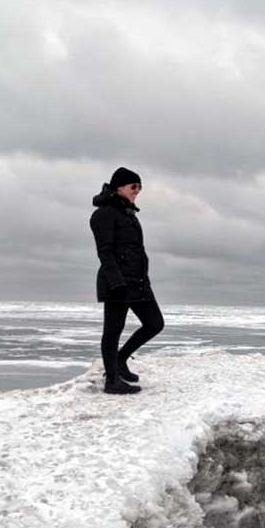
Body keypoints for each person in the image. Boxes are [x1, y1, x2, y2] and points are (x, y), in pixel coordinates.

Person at [89, 167, 164, 395]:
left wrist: (143, 278)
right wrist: (116, 282)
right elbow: (105, 252)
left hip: (137, 282)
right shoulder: (104, 214)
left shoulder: (129, 214)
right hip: (117, 284)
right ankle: (112, 381)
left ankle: (120, 360)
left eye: (140, 187)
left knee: (154, 323)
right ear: (119, 187)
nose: (137, 191)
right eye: (134, 187)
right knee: (113, 330)